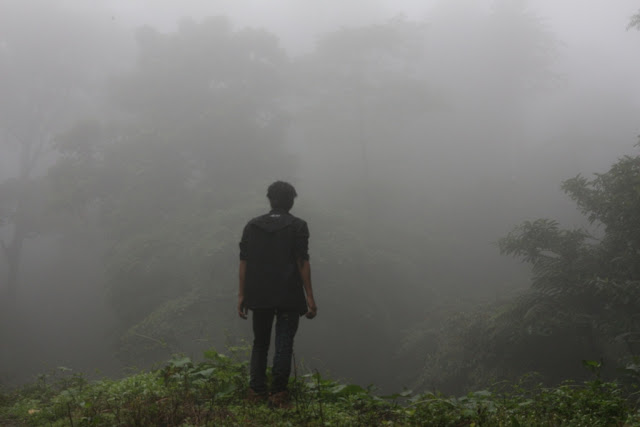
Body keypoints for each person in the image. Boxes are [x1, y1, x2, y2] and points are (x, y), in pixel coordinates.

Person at [238, 181, 317, 407]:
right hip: (289, 294)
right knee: (284, 342)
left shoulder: (252, 226)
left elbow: (244, 261)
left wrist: (241, 294)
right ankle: (279, 395)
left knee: (260, 343)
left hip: (259, 293)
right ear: (291, 202)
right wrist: (310, 296)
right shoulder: (298, 226)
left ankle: (256, 392)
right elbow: (302, 261)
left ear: (270, 200)